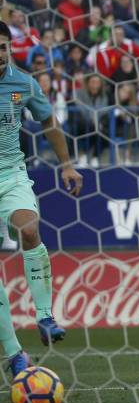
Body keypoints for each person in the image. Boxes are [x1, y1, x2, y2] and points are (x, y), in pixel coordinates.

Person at [0, 21, 83, 377]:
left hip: (10, 174)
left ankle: (45, 316)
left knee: (30, 230)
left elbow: (48, 120)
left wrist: (66, 165)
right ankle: (14, 353)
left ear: (9, 48)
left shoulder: (23, 83)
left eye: (3, 46)